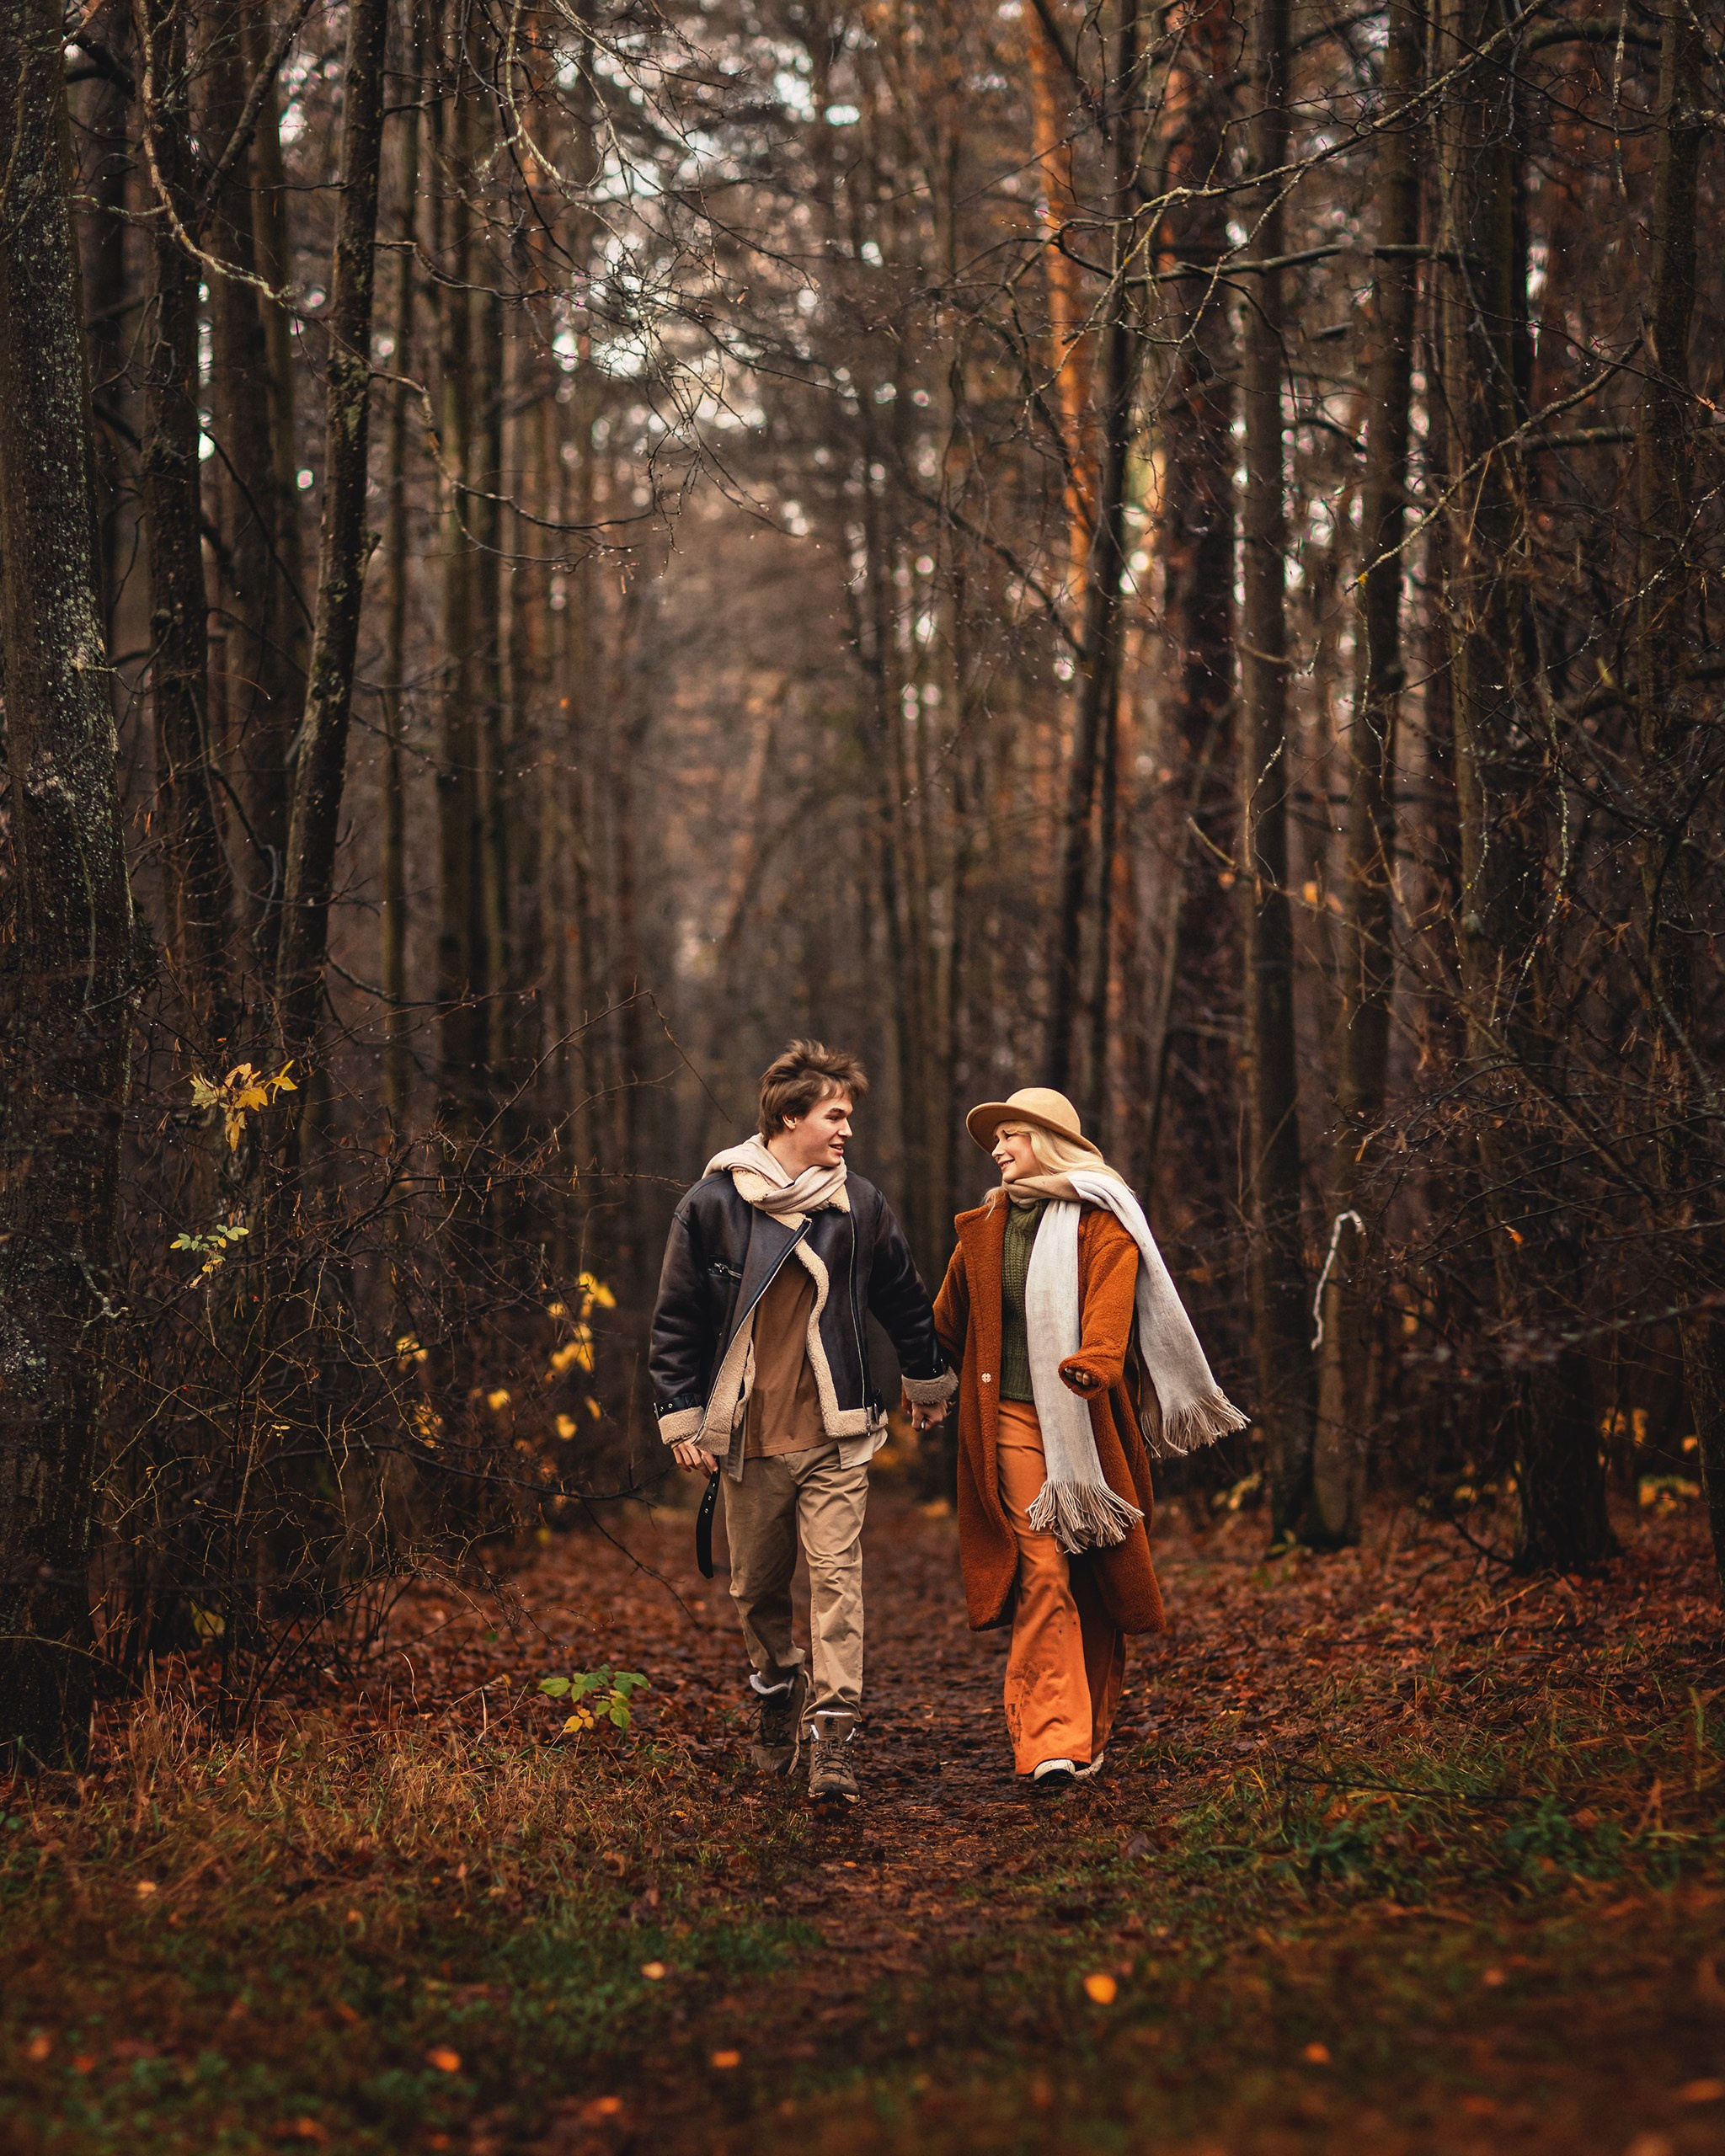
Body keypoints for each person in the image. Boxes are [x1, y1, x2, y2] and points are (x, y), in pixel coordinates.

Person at [650, 1041, 955, 1803]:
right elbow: (676, 1321)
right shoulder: (712, 1204)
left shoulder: (859, 1205)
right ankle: (776, 1686)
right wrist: (682, 1418)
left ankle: (833, 1737)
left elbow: (903, 1297)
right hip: (748, 1440)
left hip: (836, 1431)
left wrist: (923, 1377)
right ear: (792, 1116)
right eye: (836, 1115)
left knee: (837, 1584)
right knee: (756, 1592)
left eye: (849, 1116)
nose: (847, 1129)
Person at [932, 1088, 1246, 1789]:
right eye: (996, 1140)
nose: (999, 1149)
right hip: (1009, 1419)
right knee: (1040, 1567)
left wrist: (1099, 1359)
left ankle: (1090, 1731)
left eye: (1011, 1135)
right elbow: (946, 1325)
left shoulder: (1102, 1222)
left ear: (1049, 1141)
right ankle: (1051, 1742)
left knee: (1094, 1574)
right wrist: (917, 1374)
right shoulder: (984, 1228)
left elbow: (1111, 1304)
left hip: (1087, 1421)